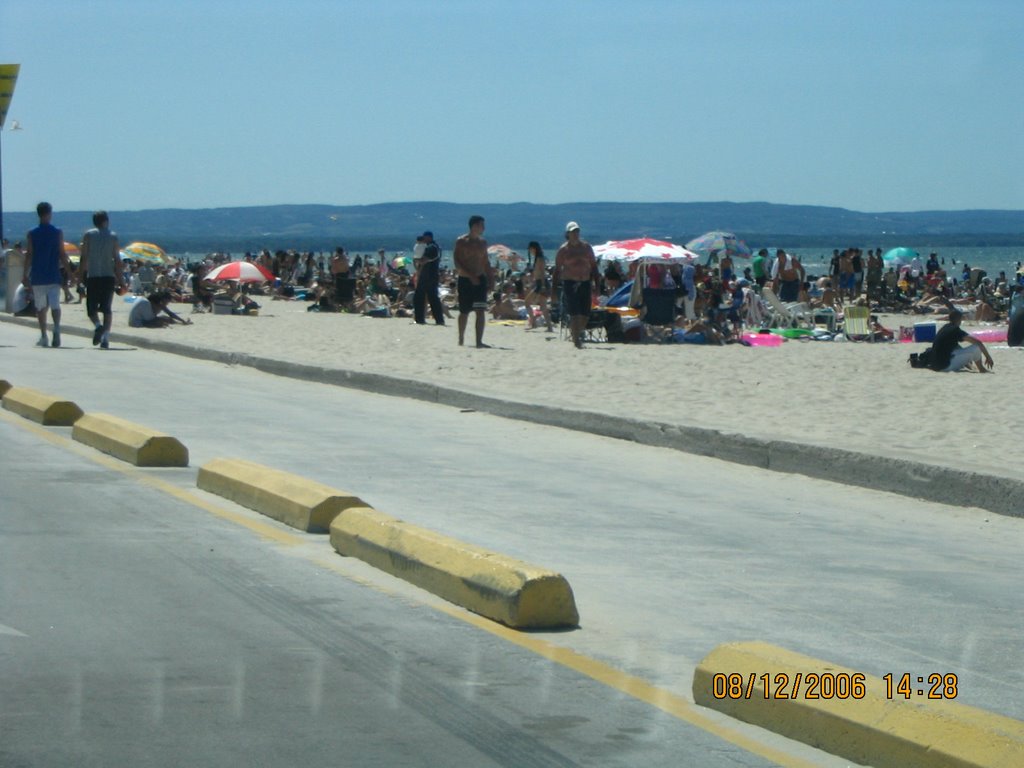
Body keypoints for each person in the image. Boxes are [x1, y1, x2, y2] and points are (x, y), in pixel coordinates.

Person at [22, 202, 71, 348]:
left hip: (38, 275)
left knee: (41, 307)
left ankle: (44, 335)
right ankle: (56, 327)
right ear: (49, 213)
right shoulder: (57, 232)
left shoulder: (32, 233)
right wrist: (70, 273)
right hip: (53, 274)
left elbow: (29, 255)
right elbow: (62, 254)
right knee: (55, 304)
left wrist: (25, 274)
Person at [80, 211, 126, 349]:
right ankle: (106, 338)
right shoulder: (113, 236)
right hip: (108, 276)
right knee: (107, 309)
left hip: (93, 275)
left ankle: (98, 326)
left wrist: (79, 276)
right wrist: (121, 280)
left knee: (91, 309)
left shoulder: (88, 235)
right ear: (106, 221)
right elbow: (117, 261)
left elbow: (84, 258)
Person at [552, 221, 599, 349]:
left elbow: (594, 267)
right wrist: (553, 292)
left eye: (577, 231)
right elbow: (556, 271)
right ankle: (576, 340)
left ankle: (578, 332)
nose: (576, 234)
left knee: (585, 314)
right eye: (573, 232)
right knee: (575, 313)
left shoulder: (586, 248)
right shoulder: (564, 250)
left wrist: (597, 285)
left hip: (585, 282)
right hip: (570, 283)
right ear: (568, 234)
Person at [453, 215, 492, 347]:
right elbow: (457, 262)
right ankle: (461, 338)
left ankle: (479, 341)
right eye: (482, 225)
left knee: (480, 311)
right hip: (465, 279)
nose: (484, 228)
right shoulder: (462, 241)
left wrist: (491, 279)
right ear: (474, 226)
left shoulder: (483, 243)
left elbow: (486, 262)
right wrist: (470, 276)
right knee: (464, 311)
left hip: (480, 278)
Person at [927, 309, 994, 372]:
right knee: (976, 348)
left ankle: (972, 367)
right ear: (959, 319)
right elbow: (978, 342)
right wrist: (988, 357)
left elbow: (956, 346)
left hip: (935, 365)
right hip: (945, 367)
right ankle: (981, 369)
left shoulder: (945, 327)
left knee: (958, 348)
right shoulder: (956, 330)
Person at [413, 231, 445, 325]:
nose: (423, 240)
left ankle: (420, 319)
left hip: (428, 275)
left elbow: (424, 260)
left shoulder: (431, 247)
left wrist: (416, 259)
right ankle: (439, 319)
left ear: (429, 237)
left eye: (424, 237)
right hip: (430, 275)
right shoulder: (435, 247)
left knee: (421, 297)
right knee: (432, 297)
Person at [523, 241, 554, 332]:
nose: (530, 251)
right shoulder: (537, 258)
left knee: (527, 302)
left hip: (541, 284)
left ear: (534, 249)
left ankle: (533, 323)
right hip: (539, 283)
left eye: (531, 249)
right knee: (543, 306)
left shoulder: (540, 259)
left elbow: (543, 273)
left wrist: (543, 286)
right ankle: (549, 327)